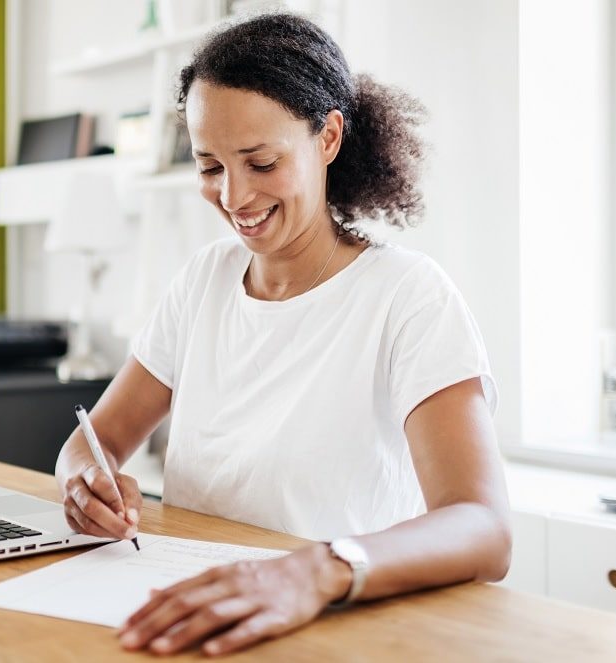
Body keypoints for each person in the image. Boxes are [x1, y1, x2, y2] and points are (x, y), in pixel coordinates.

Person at [54, 12, 511, 657]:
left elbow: (484, 530)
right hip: (196, 614)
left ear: (327, 137)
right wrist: (82, 482)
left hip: (332, 627)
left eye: (261, 162)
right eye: (210, 166)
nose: (234, 196)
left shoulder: (408, 297)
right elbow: (93, 441)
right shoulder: (203, 282)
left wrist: (315, 569)